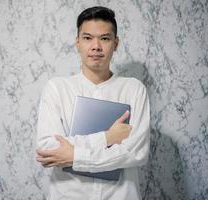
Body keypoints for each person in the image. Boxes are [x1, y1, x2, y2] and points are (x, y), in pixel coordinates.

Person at [36, 6, 150, 200]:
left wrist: (74, 155)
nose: (96, 46)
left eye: (104, 38)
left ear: (116, 43)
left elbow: (136, 153)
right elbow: (49, 149)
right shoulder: (57, 88)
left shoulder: (134, 89)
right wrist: (107, 138)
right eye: (88, 38)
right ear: (78, 42)